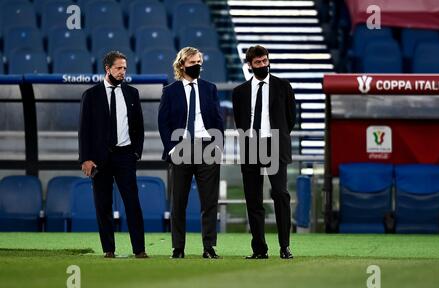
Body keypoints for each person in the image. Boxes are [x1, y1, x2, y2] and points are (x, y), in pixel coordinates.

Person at [78, 51, 147, 259]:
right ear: (107, 69)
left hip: (126, 156)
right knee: (103, 205)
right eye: (118, 68)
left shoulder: (132, 93)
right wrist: (86, 158)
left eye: (125, 68)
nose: (122, 72)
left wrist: (136, 152)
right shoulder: (91, 95)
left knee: (133, 204)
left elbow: (139, 127)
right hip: (99, 159)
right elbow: (84, 130)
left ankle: (140, 250)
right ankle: (109, 250)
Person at [158, 47, 224, 259]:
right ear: (182, 64)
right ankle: (178, 248)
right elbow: (163, 123)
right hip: (181, 149)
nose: (197, 65)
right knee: (179, 201)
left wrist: (217, 146)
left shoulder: (210, 89)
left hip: (207, 148)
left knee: (209, 201)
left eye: (199, 62)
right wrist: (172, 148)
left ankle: (209, 247)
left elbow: (218, 120)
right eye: (193, 62)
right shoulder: (170, 91)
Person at [232, 45, 296, 259]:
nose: (262, 65)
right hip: (251, 145)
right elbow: (240, 121)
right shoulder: (239, 92)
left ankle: (285, 246)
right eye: (257, 62)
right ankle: (259, 249)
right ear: (250, 65)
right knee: (253, 199)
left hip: (275, 143)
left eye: (265, 61)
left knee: (280, 193)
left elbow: (291, 118)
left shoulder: (283, 86)